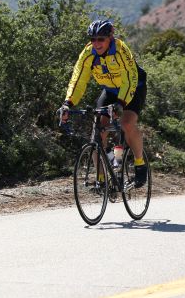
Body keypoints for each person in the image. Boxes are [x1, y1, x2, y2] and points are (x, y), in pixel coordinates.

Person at [59, 19, 148, 188]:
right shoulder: (88, 54)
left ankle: (139, 163)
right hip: (110, 90)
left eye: (101, 39)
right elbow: (78, 79)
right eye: (93, 39)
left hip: (133, 87)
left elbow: (130, 77)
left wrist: (121, 103)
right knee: (97, 132)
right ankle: (102, 179)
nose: (96, 43)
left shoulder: (121, 49)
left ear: (110, 37)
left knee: (127, 123)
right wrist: (68, 103)